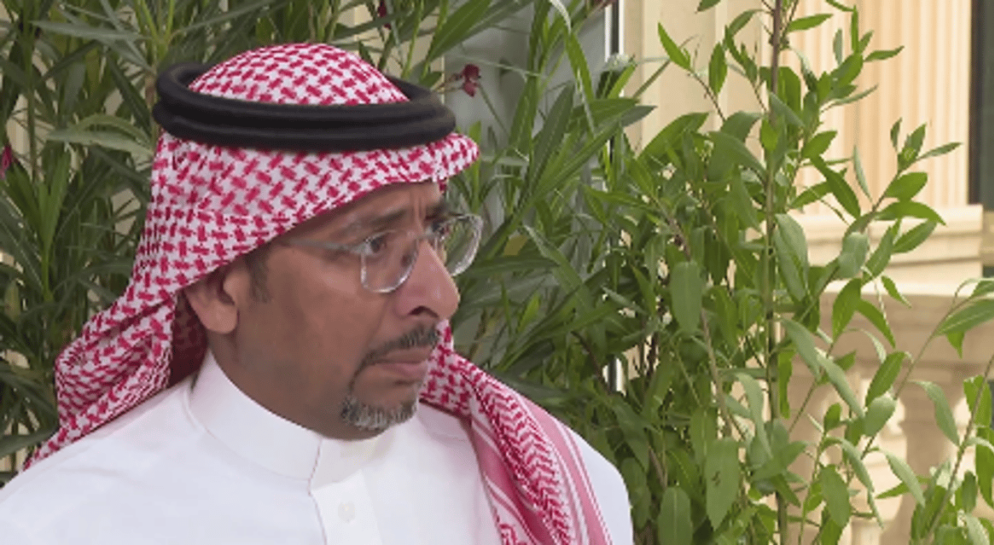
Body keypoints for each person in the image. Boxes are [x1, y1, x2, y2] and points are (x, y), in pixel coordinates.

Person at [0, 43, 631, 544]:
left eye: (436, 234)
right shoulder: (56, 527)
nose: (441, 297)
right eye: (372, 245)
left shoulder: (549, 494)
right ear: (217, 288)